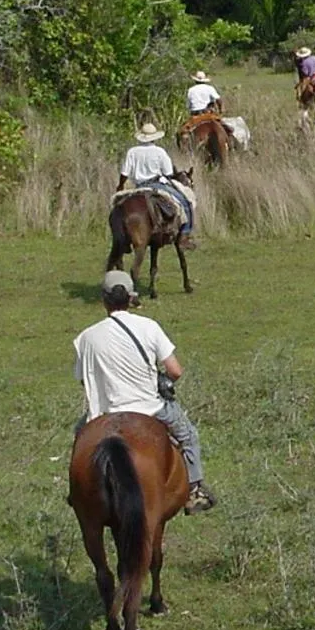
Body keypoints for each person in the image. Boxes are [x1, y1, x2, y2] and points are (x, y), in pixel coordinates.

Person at [73, 270, 216, 514]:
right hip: (151, 407)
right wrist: (163, 380)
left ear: (104, 300)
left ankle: (77, 491)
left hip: (106, 412)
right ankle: (194, 490)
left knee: (79, 438)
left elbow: (83, 381)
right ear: (130, 298)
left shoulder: (86, 337)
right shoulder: (149, 326)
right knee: (189, 435)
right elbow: (175, 370)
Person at [116, 123, 197, 251]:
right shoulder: (159, 151)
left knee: (117, 206)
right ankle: (184, 236)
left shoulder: (132, 151)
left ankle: (121, 236)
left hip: (138, 186)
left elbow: (124, 173)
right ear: (154, 137)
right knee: (185, 202)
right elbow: (168, 173)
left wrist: (120, 186)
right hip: (157, 184)